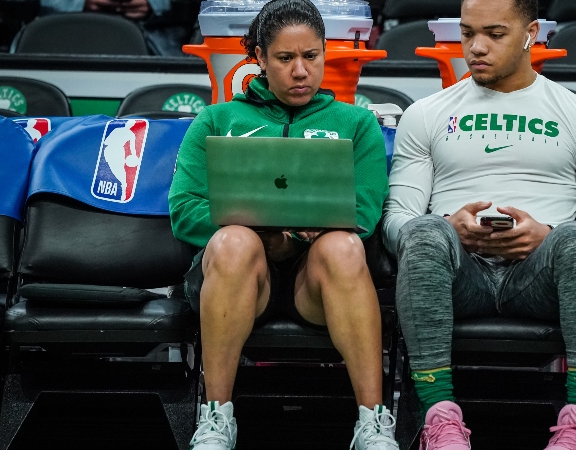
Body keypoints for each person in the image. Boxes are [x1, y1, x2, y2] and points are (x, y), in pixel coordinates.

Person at [382, 0, 576, 448]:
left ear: (530, 33)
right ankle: (439, 417)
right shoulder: (426, 114)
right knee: (423, 231)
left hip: (538, 278)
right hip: (460, 274)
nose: (476, 48)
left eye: (494, 34)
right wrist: (449, 226)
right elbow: (396, 223)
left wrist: (548, 237)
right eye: (467, 34)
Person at [168, 1, 397, 449]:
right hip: (238, 277)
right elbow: (184, 209)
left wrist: (296, 235)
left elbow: (365, 212)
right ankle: (216, 418)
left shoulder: (356, 123)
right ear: (257, 57)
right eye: (285, 58)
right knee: (234, 241)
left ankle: (373, 422)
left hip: (316, 280)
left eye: (311, 56)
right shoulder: (216, 119)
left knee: (345, 246)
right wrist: (259, 231)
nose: (300, 71)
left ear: (325, 54)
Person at [39, 0, 196, 56]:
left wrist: (156, 4)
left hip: (160, 54)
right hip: (61, 46)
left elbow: (211, 6)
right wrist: (78, 2)